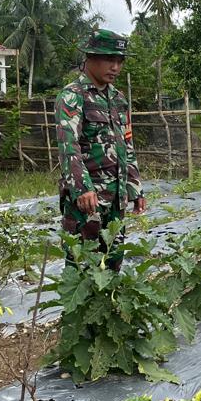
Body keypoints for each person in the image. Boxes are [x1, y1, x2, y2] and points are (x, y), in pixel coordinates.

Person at [54, 29, 147, 268]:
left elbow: (127, 143)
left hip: (116, 199)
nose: (115, 67)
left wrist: (135, 188)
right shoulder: (72, 96)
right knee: (83, 269)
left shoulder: (118, 99)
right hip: (88, 202)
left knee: (113, 265)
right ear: (90, 58)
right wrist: (83, 189)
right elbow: (69, 147)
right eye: (109, 59)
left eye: (119, 61)